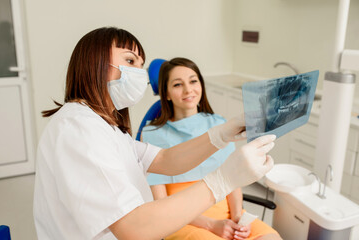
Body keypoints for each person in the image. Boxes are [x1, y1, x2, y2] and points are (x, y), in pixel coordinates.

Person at [33, 27, 276, 240]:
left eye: (141, 66)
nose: (139, 74)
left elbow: (164, 160)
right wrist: (222, 180)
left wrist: (221, 134)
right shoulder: (79, 129)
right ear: (94, 62)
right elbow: (133, 228)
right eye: (130, 61)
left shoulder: (105, 127)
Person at [142, 58, 282, 240]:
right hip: (183, 220)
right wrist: (211, 225)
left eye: (193, 81)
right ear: (166, 93)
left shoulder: (220, 126)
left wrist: (238, 217)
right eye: (177, 84)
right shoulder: (153, 135)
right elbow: (161, 204)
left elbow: (232, 179)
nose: (188, 90)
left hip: (226, 212)